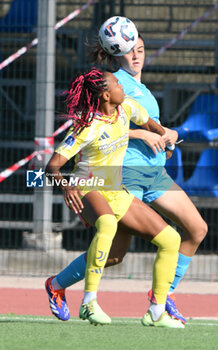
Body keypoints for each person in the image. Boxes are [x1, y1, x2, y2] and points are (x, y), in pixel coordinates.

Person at [46, 33, 208, 325]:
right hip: (96, 181)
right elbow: (53, 167)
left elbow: (146, 121)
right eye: (118, 84)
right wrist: (67, 185)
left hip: (144, 176)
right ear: (107, 92)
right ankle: (82, 298)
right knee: (111, 242)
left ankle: (159, 305)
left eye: (142, 49)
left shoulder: (128, 105)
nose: (122, 86)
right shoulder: (89, 124)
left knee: (178, 235)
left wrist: (165, 137)